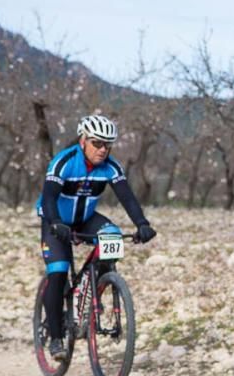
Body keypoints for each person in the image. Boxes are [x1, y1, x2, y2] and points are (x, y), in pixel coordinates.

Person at [38, 114, 156, 360]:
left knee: (112, 237)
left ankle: (95, 288)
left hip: (86, 218)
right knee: (58, 270)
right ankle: (56, 338)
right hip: (55, 219)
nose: (103, 150)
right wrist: (57, 223)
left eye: (107, 145)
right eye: (97, 143)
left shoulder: (111, 167)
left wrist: (142, 224)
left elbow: (127, 197)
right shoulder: (64, 162)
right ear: (83, 141)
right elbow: (49, 198)